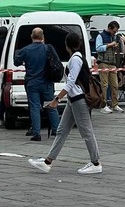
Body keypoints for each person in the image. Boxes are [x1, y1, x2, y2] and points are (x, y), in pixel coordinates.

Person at [28, 32, 102, 174]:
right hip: (73, 100)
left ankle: (96, 162)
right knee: (62, 131)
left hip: (78, 99)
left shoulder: (75, 59)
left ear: (67, 45)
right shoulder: (78, 57)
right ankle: (48, 161)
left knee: (86, 131)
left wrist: (56, 99)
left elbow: (70, 83)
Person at [14, 27, 60, 141]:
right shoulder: (48, 48)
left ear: (31, 37)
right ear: (43, 37)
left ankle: (36, 133)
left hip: (32, 82)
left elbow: (16, 62)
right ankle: (57, 130)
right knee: (51, 105)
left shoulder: (26, 50)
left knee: (34, 107)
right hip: (47, 82)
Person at [96, 21, 124, 114]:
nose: (115, 33)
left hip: (112, 63)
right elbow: (98, 48)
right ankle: (103, 105)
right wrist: (109, 45)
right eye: (114, 31)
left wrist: (115, 46)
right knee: (104, 85)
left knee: (115, 85)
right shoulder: (100, 36)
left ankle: (115, 104)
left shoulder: (114, 37)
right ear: (110, 28)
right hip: (103, 62)